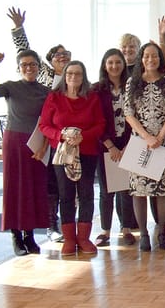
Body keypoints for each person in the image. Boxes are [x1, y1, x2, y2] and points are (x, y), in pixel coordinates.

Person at [7, 7, 68, 242]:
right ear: (49, 60)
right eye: (58, 55)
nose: (62, 58)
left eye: (66, 54)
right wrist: (18, 28)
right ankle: (49, 226)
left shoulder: (74, 77)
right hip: (37, 137)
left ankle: (59, 224)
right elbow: (24, 52)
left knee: (58, 184)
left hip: (61, 139)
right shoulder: (42, 75)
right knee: (43, 182)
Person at [0, 50, 51, 255]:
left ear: (39, 67)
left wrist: (44, 146)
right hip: (14, 141)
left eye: (33, 64)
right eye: (24, 65)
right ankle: (16, 236)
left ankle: (29, 236)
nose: (29, 68)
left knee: (33, 188)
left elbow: (49, 121)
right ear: (19, 68)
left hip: (36, 143)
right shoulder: (11, 87)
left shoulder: (46, 91)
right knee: (14, 187)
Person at [39, 61, 105, 256]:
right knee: (65, 195)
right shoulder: (54, 97)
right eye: (69, 73)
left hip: (87, 152)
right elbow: (44, 125)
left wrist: (84, 136)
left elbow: (100, 124)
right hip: (62, 154)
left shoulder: (91, 98)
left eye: (77, 74)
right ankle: (69, 238)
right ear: (64, 76)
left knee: (86, 194)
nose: (73, 77)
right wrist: (60, 135)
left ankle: (83, 238)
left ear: (83, 77)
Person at [124, 42, 165, 251]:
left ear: (160, 58)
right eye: (146, 56)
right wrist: (147, 136)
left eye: (154, 55)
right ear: (141, 58)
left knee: (162, 190)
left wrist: (159, 137)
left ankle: (162, 232)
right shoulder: (132, 82)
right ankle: (144, 235)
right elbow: (128, 113)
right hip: (140, 142)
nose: (150, 59)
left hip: (164, 142)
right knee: (139, 190)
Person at [93, 48, 139, 247]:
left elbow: (137, 116)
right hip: (105, 145)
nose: (114, 66)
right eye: (110, 62)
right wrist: (110, 146)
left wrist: (129, 144)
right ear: (105, 65)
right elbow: (95, 119)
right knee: (106, 190)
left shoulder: (133, 86)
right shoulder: (96, 89)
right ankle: (105, 231)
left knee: (126, 189)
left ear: (124, 64)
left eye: (118, 62)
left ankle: (126, 229)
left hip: (128, 143)